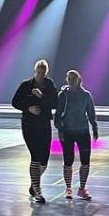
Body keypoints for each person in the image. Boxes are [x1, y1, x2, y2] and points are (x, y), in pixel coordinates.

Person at [11, 58, 56, 204]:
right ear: (35, 71)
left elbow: (55, 103)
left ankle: (34, 182)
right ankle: (37, 190)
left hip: (44, 124)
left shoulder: (49, 85)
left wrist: (42, 96)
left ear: (46, 73)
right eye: (38, 72)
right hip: (29, 125)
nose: (40, 75)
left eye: (43, 73)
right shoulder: (26, 85)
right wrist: (28, 107)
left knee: (44, 160)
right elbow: (15, 102)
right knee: (35, 157)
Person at [55, 69, 99, 201]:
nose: (71, 82)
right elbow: (58, 114)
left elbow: (91, 112)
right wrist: (60, 129)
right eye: (69, 79)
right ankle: (68, 188)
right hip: (67, 132)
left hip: (82, 131)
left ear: (79, 80)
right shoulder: (63, 95)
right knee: (68, 161)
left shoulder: (86, 95)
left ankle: (82, 188)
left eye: (73, 79)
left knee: (85, 161)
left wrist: (94, 127)